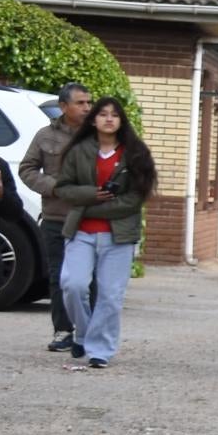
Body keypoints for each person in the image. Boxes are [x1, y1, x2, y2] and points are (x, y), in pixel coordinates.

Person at [48, 95, 157, 369]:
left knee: (110, 295)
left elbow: (135, 198)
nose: (109, 119)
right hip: (81, 232)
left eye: (114, 115)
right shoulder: (78, 150)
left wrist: (91, 207)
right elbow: (63, 188)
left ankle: (100, 350)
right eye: (103, 114)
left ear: (121, 120)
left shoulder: (135, 153)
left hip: (118, 236)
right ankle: (83, 333)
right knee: (72, 285)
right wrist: (91, 195)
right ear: (94, 119)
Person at [18, 79, 92, 354]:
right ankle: (63, 330)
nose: (87, 107)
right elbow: (27, 169)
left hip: (90, 218)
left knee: (88, 279)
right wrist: (52, 187)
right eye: (80, 103)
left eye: (89, 102)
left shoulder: (98, 135)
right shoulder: (45, 136)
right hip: (56, 217)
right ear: (64, 106)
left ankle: (89, 331)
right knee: (60, 276)